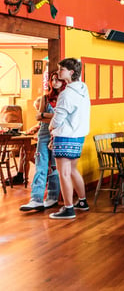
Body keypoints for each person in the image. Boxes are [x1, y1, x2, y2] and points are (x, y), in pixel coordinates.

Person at [48, 58, 91, 220]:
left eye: (61, 70)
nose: (59, 73)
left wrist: (51, 127)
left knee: (64, 173)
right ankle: (82, 201)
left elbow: (58, 118)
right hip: (78, 135)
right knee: (73, 170)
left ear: (71, 72)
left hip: (65, 136)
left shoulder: (67, 94)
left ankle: (68, 208)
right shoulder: (83, 89)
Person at [19, 72, 66, 212]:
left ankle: (52, 196)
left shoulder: (66, 98)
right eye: (52, 79)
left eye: (57, 79)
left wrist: (47, 116)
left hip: (59, 134)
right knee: (40, 165)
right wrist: (52, 117)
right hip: (45, 134)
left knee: (54, 167)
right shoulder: (45, 98)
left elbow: (64, 118)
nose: (54, 81)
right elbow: (39, 117)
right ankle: (36, 199)